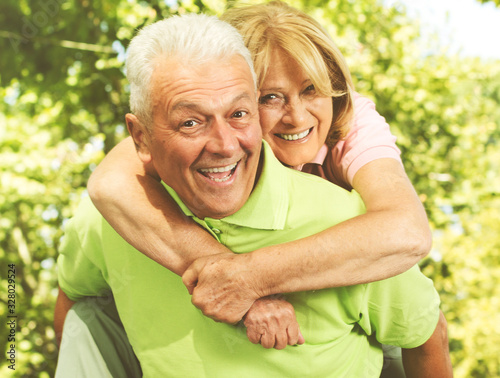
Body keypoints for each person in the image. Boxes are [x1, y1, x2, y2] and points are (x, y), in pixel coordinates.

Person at [55, 13, 452, 377]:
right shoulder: (139, 179)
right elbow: (108, 183)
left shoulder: (353, 142)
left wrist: (248, 278)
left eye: (236, 113)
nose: (296, 116)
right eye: (270, 98)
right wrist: (223, 273)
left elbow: (409, 235)